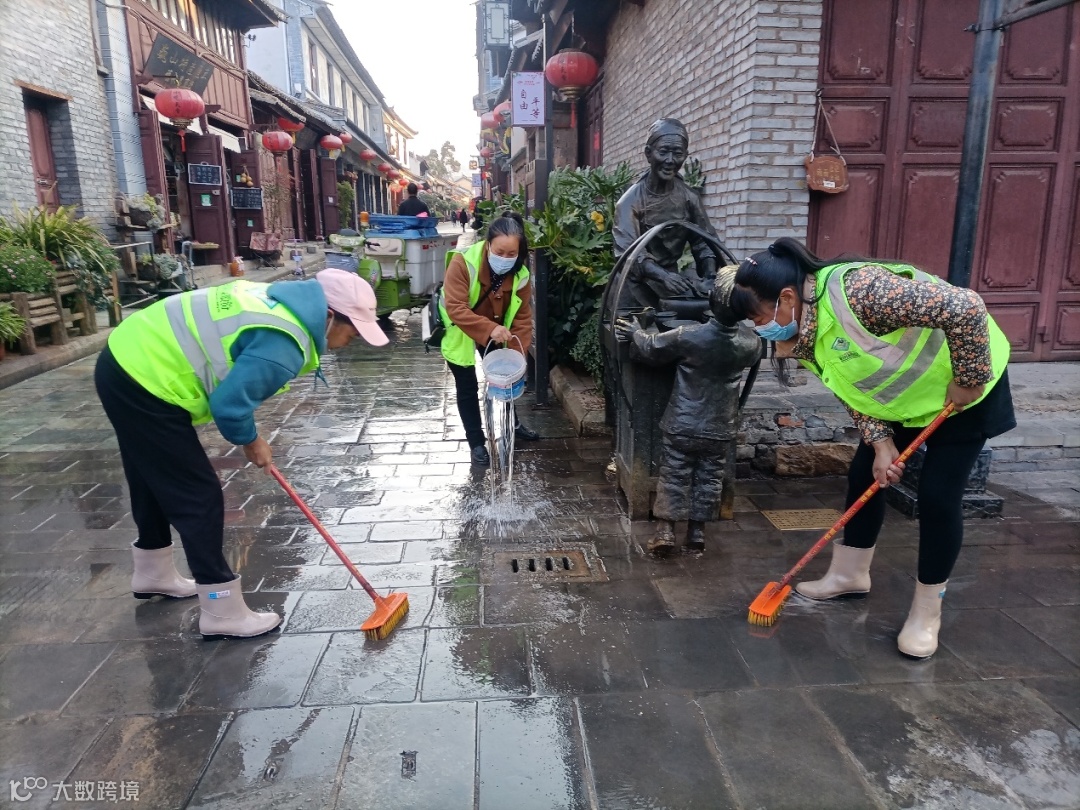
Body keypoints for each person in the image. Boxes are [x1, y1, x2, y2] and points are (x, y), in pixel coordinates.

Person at [729, 237, 1015, 659]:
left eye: (758, 317)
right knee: (864, 473)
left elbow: (965, 306)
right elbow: (853, 390)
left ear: (787, 298)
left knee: (937, 496)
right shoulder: (806, 329)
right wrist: (880, 443)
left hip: (963, 393)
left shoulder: (861, 291)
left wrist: (969, 378)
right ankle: (850, 575)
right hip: (904, 400)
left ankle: (926, 612)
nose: (759, 328)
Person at [94, 270, 389, 640]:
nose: (351, 341)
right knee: (197, 494)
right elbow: (230, 406)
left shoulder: (282, 306)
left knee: (151, 475)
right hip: (143, 377)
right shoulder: (284, 343)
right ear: (329, 315)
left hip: (127, 358)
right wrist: (252, 440)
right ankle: (222, 611)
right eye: (353, 331)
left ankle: (154, 573)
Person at [616, 267, 762, 555]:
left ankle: (665, 531)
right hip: (721, 426)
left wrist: (635, 332)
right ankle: (696, 531)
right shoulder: (751, 343)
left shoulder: (689, 336)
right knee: (709, 478)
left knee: (674, 475)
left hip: (683, 423)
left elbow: (651, 346)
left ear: (712, 301)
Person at [439, 210, 539, 466]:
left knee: (506, 380)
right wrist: (489, 329)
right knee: (467, 386)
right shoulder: (463, 263)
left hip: (498, 331)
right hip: (461, 329)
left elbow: (522, 317)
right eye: (499, 252)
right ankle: (476, 442)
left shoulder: (520, 274)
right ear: (487, 245)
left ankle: (513, 424)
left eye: (511, 254)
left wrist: (517, 355)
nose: (505, 258)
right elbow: (456, 307)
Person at [613, 118, 718, 310]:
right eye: (663, 152)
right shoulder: (630, 202)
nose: (670, 160)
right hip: (633, 288)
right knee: (634, 327)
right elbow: (628, 252)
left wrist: (710, 275)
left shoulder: (689, 198)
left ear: (685, 155)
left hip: (671, 286)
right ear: (648, 153)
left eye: (677, 154)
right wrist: (663, 276)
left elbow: (705, 243)